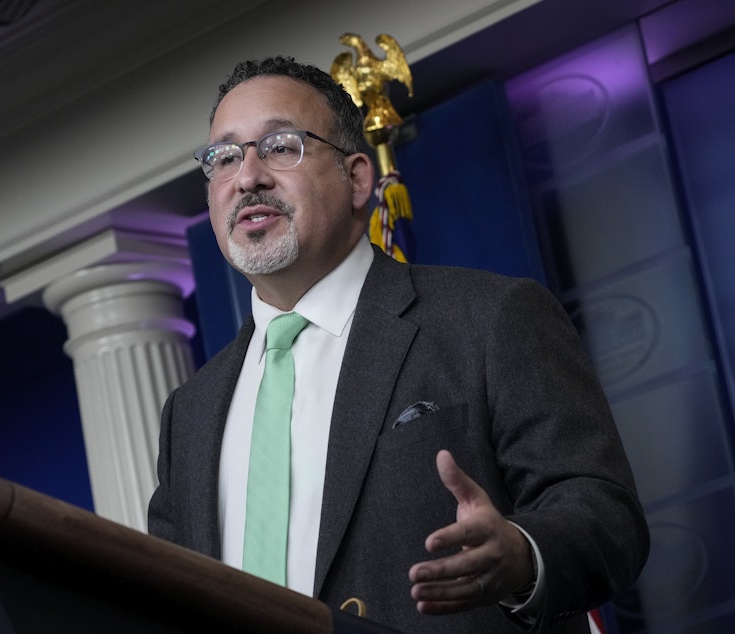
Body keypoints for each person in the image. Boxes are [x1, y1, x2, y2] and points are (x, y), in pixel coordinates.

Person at [147, 55, 649, 633]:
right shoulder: (189, 412)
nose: (248, 175)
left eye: (282, 146)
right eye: (224, 157)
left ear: (358, 178)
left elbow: (605, 515)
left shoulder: (489, 318)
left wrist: (520, 554)